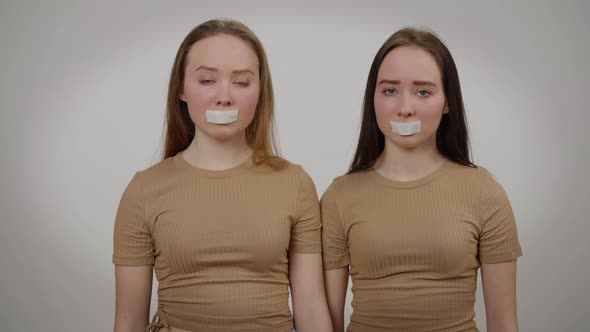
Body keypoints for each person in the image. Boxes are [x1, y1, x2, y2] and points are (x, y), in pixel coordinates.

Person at [113, 18, 332, 332]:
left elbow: (311, 309)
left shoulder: (294, 184)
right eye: (207, 81)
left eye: (241, 82)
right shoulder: (144, 190)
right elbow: (129, 321)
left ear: (260, 92)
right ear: (181, 89)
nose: (224, 97)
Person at [322, 27, 522, 332]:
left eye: (423, 92)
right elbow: (327, 323)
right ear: (372, 98)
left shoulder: (485, 193)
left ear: (447, 102)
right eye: (390, 90)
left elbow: (505, 325)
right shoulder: (339, 196)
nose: (405, 109)